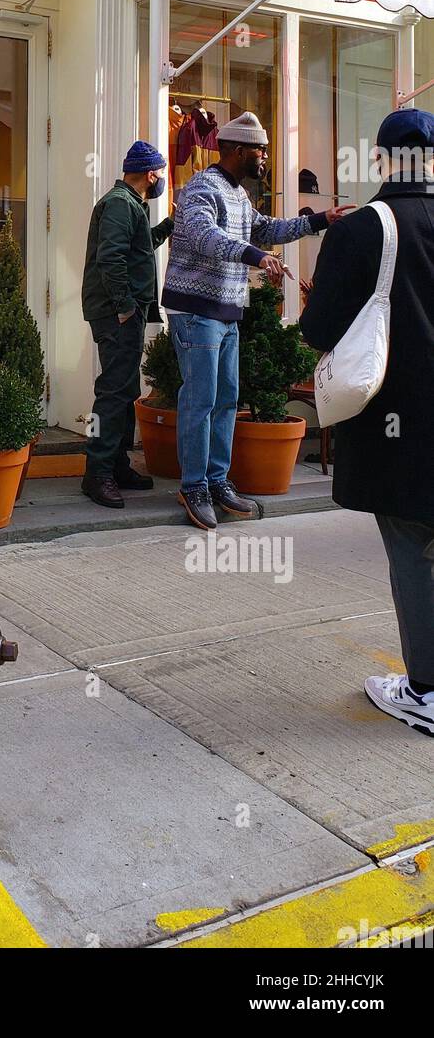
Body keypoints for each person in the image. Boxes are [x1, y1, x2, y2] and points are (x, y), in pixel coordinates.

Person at [300, 108, 434, 736]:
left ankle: (426, 689)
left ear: (380, 159)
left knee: (411, 541)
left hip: (399, 424)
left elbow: (319, 330)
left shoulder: (362, 230)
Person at [161, 110, 352, 531]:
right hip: (195, 312)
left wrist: (321, 219)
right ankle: (193, 486)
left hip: (226, 311)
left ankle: (216, 480)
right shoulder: (201, 188)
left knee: (227, 399)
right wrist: (255, 255)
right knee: (201, 400)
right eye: (259, 150)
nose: (264, 157)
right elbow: (202, 235)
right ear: (234, 149)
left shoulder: (239, 195)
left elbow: (264, 229)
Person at [81, 141, 173, 508]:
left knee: (123, 389)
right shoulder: (120, 204)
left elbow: (138, 247)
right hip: (117, 313)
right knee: (112, 392)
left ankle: (115, 465)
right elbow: (111, 258)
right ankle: (97, 472)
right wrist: (123, 307)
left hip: (125, 312)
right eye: (161, 172)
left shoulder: (129, 204)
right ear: (151, 174)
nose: (162, 179)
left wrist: (167, 225)